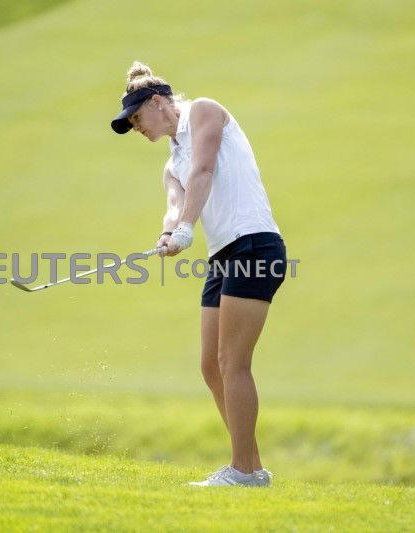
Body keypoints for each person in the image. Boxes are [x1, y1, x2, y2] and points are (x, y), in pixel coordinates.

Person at [111, 61, 287, 487]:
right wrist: (169, 232)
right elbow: (175, 202)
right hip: (222, 255)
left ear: (158, 102)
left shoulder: (204, 112)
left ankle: (242, 471)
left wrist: (188, 228)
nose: (136, 127)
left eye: (137, 117)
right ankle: (253, 469)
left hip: (254, 244)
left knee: (233, 362)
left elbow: (204, 170)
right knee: (211, 366)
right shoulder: (171, 162)